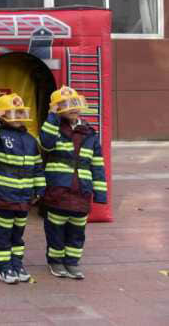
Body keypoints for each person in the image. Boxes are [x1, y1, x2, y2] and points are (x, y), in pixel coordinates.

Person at [40, 86, 108, 280]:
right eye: (65, 104)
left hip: (82, 191)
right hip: (58, 191)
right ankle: (56, 262)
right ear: (56, 108)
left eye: (74, 103)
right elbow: (46, 143)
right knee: (55, 230)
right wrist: (52, 116)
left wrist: (100, 194)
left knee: (77, 230)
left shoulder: (89, 133)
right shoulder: (53, 128)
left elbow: (98, 165)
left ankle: (72, 263)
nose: (72, 108)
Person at [0, 93, 45, 285]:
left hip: (24, 196)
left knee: (18, 233)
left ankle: (16, 264)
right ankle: (2, 266)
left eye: (18, 112)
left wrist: (39, 189)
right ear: (3, 116)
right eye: (11, 113)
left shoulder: (30, 139)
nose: (16, 117)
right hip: (3, 195)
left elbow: (37, 166)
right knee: (1, 232)